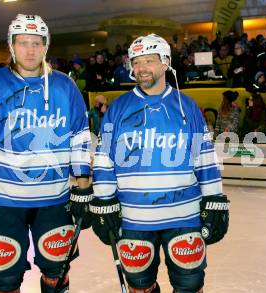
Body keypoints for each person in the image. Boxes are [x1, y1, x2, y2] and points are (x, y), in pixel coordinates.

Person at [0, 14, 92, 293]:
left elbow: (79, 139)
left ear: (46, 46)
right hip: (4, 202)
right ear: (11, 45)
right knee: (4, 280)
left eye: (36, 43)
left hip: (54, 200)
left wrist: (82, 188)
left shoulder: (65, 87)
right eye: (22, 43)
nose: (30, 50)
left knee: (57, 274)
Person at [88, 34, 229, 293]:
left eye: (149, 61)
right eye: (136, 62)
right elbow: (104, 160)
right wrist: (104, 201)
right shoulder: (118, 108)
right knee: (139, 286)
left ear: (165, 63)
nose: (141, 68)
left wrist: (215, 199)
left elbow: (205, 158)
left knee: (190, 285)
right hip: (134, 219)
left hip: (184, 216)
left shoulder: (187, 106)